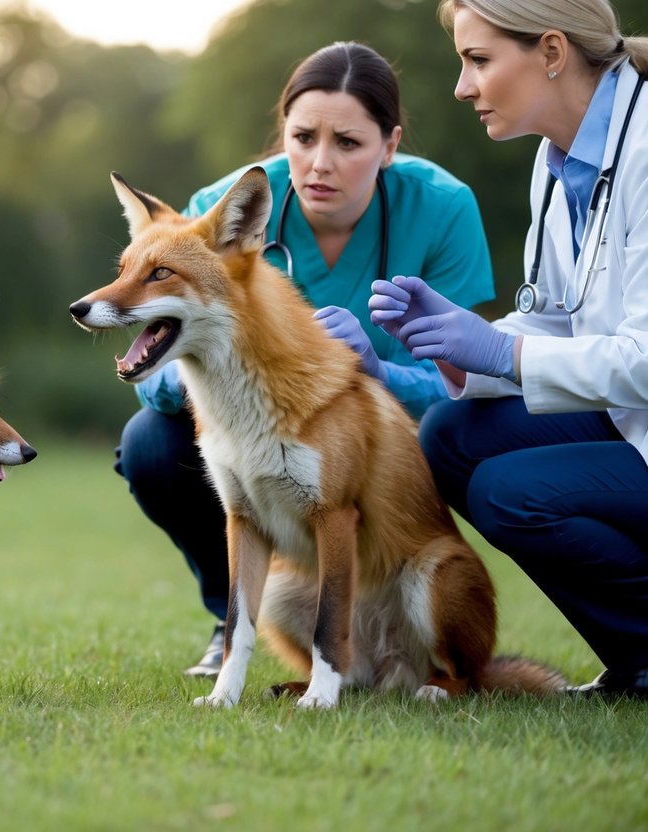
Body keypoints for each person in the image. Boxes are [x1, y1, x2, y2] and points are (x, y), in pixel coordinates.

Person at [114, 41, 496, 677]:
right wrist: (228, 371)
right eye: (302, 137)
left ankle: (409, 637)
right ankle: (228, 614)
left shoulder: (443, 207)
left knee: (447, 439)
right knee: (151, 444)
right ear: (282, 133)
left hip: (395, 442)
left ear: (390, 144)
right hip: (253, 432)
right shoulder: (223, 211)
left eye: (348, 143)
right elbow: (158, 348)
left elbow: (466, 377)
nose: (320, 163)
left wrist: (375, 369)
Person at [370, 0, 648, 699]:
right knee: (450, 435)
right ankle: (635, 660)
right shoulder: (555, 164)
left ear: (551, 52)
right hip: (627, 415)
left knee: (511, 493)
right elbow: (559, 322)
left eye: (478, 60)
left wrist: (500, 352)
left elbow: (642, 357)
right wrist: (458, 346)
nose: (462, 86)